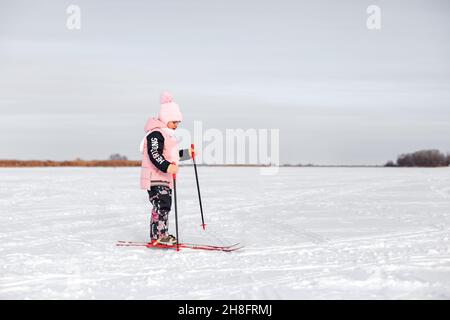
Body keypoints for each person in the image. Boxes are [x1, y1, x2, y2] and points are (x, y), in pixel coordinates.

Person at [139, 92, 193, 245]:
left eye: (178, 122)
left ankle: (162, 234)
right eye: (174, 122)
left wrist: (188, 154)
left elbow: (171, 155)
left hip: (164, 178)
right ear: (166, 119)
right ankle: (158, 236)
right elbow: (154, 154)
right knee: (161, 205)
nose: (176, 125)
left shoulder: (168, 135)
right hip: (155, 176)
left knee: (165, 205)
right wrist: (167, 166)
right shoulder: (156, 134)